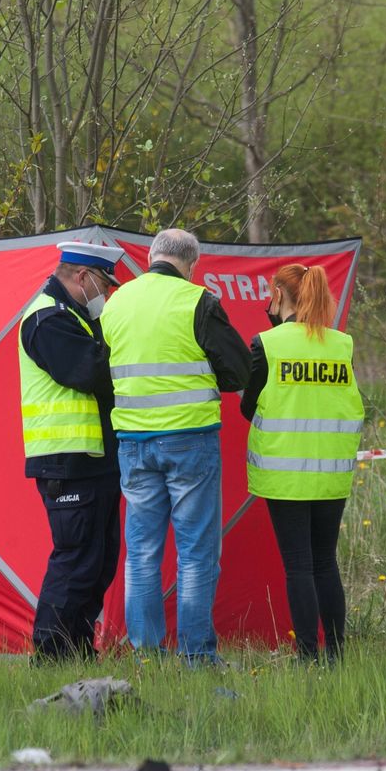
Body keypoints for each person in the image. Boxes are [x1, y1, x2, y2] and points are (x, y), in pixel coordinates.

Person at [100, 228, 251, 665]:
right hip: (189, 441)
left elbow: (103, 366)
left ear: (151, 257)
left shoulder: (117, 302)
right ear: (192, 264)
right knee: (196, 554)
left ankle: (147, 655)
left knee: (142, 553)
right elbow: (239, 370)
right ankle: (197, 657)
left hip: (132, 443)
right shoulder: (197, 301)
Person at [240, 264, 364, 664]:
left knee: (299, 566)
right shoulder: (341, 344)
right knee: (326, 562)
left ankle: (308, 656)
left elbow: (248, 406)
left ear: (277, 295)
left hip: (285, 476)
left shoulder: (268, 344)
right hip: (330, 474)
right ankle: (337, 653)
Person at [18, 241, 126, 662]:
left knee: (99, 563)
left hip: (93, 460)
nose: (107, 294)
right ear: (81, 277)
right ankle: (50, 654)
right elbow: (91, 372)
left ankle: (78, 650)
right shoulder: (47, 319)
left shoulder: (76, 317)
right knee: (76, 560)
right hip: (67, 460)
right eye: (103, 284)